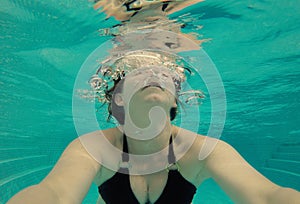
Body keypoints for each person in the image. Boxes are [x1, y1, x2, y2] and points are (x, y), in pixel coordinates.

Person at [8, 1, 300, 204]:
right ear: (118, 96)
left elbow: (267, 196)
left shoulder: (201, 152)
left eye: (165, 73)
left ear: (176, 96)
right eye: (137, 70)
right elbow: (54, 194)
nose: (154, 73)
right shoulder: (95, 149)